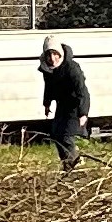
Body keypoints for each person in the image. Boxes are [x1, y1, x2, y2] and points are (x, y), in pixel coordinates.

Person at [38, 38, 92, 173]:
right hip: (62, 105)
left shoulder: (72, 68)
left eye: (55, 54)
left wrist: (83, 113)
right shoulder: (47, 69)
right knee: (56, 133)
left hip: (75, 105)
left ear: (60, 53)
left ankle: (74, 165)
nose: (52, 58)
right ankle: (67, 165)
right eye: (49, 54)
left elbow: (82, 91)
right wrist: (47, 103)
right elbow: (48, 87)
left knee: (66, 136)